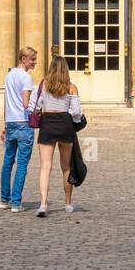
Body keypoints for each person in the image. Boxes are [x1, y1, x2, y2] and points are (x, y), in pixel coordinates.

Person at [33, 55, 82, 218]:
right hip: (64, 124)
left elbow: (38, 106)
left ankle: (43, 204)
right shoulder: (71, 87)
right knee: (66, 167)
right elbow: (76, 112)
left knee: (45, 167)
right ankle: (68, 203)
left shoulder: (45, 85)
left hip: (47, 123)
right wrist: (75, 120)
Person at [0, 47, 38, 212]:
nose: (35, 62)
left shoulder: (9, 75)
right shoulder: (26, 77)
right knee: (22, 163)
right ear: (24, 59)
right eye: (32, 59)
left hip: (11, 122)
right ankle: (16, 202)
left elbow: (7, 101)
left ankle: (4, 200)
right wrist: (38, 109)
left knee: (8, 162)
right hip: (23, 123)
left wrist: (5, 126)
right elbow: (25, 103)